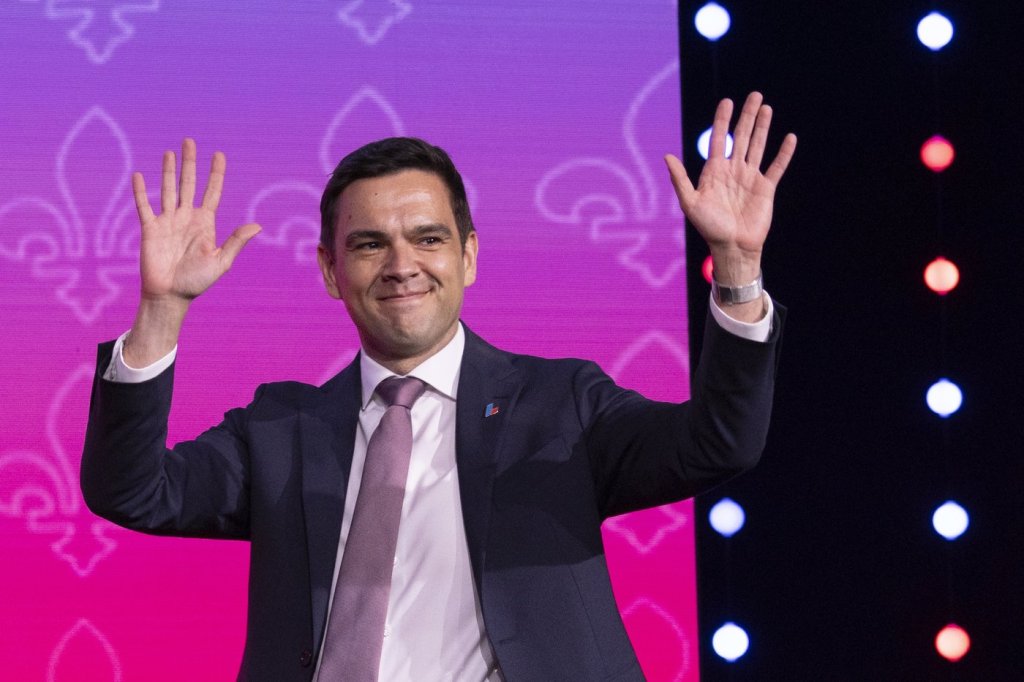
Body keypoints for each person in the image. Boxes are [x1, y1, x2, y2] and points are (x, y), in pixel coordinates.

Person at [81, 92, 796, 681]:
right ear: (330, 271)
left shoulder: (563, 404)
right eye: (369, 244)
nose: (402, 265)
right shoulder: (278, 429)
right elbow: (132, 491)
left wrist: (737, 268)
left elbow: (718, 443)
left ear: (469, 256)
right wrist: (161, 311)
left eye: (428, 238)